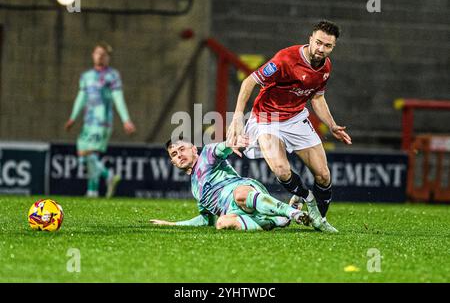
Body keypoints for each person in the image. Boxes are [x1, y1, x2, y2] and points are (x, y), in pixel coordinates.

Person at [227, 20, 352, 233]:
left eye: (328, 46)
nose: (321, 49)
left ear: (333, 47)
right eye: (318, 43)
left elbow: (318, 98)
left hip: (295, 119)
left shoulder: (326, 67)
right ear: (310, 39)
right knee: (281, 169)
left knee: (323, 175)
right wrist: (238, 117)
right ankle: (307, 198)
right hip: (267, 119)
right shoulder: (285, 59)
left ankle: (319, 220)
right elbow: (249, 81)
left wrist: (331, 125)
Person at [149, 138, 323, 231]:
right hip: (234, 212)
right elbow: (206, 220)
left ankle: (291, 212)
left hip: (244, 191)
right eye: (174, 154)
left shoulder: (207, 154)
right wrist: (173, 224)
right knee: (222, 223)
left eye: (182, 149)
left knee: (239, 195)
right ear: (173, 162)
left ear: (194, 149)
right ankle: (276, 221)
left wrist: (230, 143)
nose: (179, 155)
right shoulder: (195, 188)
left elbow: (222, 148)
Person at [64, 42, 136, 198]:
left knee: (87, 153)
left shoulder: (112, 76)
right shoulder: (86, 76)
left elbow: (118, 98)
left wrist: (126, 120)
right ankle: (92, 191)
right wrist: (72, 117)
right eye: (97, 53)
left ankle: (108, 175)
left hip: (102, 122)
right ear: (93, 55)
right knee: (88, 157)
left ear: (108, 58)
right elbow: (81, 98)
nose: (100, 56)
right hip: (88, 122)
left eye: (103, 54)